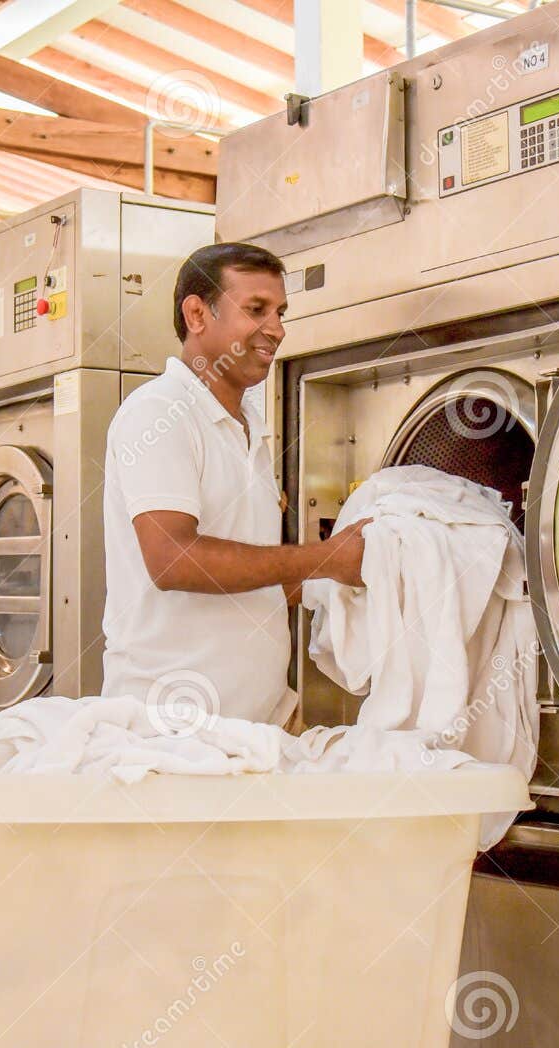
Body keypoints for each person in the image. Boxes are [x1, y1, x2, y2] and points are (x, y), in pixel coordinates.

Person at [100, 242, 369, 726]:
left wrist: (368, 577)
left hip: (257, 726)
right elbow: (173, 561)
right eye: (256, 310)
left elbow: (249, 576)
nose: (277, 329)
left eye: (281, 312)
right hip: (172, 727)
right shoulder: (159, 413)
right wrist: (327, 558)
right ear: (198, 314)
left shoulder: (249, 427)